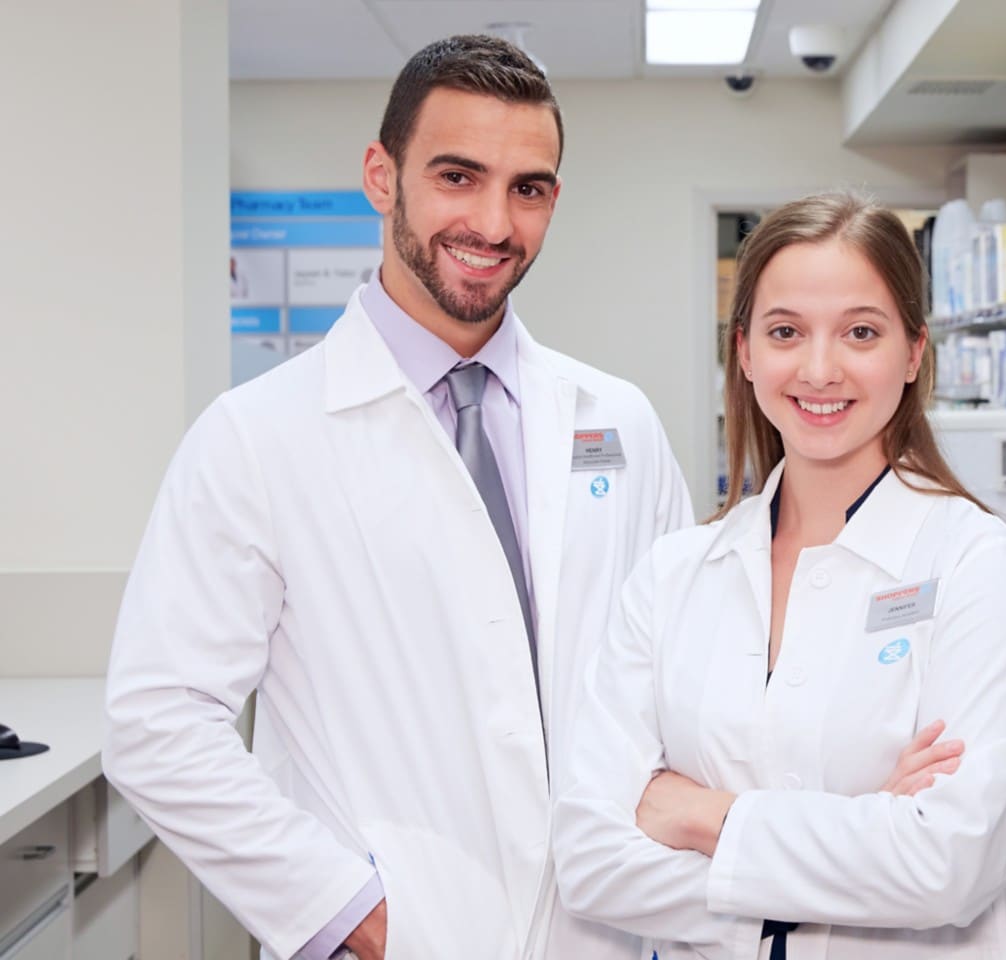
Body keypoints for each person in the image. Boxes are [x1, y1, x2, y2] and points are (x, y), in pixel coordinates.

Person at [102, 35, 697, 960]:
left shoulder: (617, 422)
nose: (495, 224)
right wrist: (360, 917)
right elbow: (157, 723)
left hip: (604, 933)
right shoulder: (256, 437)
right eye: (458, 176)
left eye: (528, 188)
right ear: (382, 176)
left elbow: (684, 683)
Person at [552, 192, 1006, 960]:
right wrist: (859, 836)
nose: (821, 369)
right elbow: (589, 860)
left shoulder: (978, 567)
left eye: (861, 331)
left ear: (914, 352)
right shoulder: (675, 574)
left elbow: (947, 865)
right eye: (787, 332)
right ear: (745, 350)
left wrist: (693, 815)